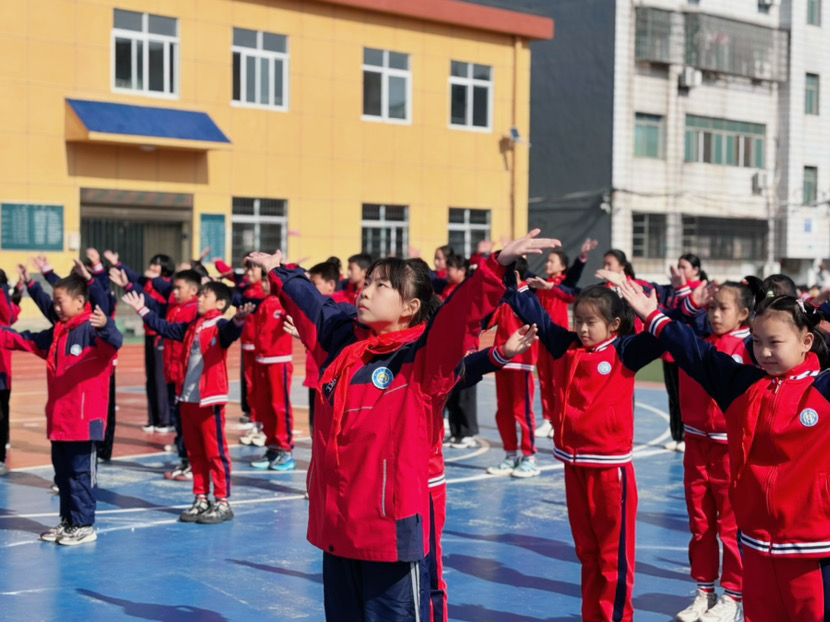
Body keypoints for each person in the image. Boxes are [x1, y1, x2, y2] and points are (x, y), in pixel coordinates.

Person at [247, 229, 558, 621]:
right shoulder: (341, 342)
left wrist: (495, 267)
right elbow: (312, 302)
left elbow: (459, 316)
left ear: (410, 306)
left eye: (381, 286)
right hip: (337, 530)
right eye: (367, 282)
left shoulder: (424, 359)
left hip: (388, 535)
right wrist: (280, 271)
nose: (365, 291)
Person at [620, 278, 830, 622]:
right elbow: (696, 354)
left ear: (806, 342)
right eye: (757, 342)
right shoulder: (743, 385)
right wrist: (653, 316)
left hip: (814, 548)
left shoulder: (823, 390)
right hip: (756, 544)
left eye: (775, 342)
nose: (764, 352)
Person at [505, 280, 665, 621]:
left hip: (610, 470)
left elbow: (666, 337)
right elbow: (538, 317)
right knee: (587, 552)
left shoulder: (625, 351)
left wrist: (653, 313)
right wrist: (512, 282)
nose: (582, 328)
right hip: (573, 466)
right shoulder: (568, 346)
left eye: (591, 322)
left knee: (612, 555)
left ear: (614, 325)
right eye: (578, 320)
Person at [0, 275, 122, 544]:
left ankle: (84, 525)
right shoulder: (58, 332)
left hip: (84, 419)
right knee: (63, 474)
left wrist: (105, 326)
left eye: (59, 302)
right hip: (60, 419)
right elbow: (26, 340)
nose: (55, 308)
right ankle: (68, 521)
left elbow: (114, 341)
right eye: (53, 302)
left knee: (81, 474)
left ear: (79, 301)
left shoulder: (91, 330)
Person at [122, 283, 255, 525]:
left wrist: (238, 320)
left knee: (215, 453)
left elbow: (231, 332)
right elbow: (164, 327)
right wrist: (142, 310)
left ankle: (222, 501)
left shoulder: (219, 326)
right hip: (187, 399)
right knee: (195, 453)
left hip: (209, 401)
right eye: (199, 294)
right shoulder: (192, 326)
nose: (199, 298)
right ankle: (201, 497)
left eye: (205, 295)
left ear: (220, 303)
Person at [672, 281, 751, 622]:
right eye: (712, 307)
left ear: (744, 313)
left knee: (731, 527)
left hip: (730, 450)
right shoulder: (698, 344)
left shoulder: (750, 347)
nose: (715, 314)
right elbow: (668, 329)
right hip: (696, 446)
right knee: (700, 524)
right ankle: (704, 591)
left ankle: (734, 595)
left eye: (724, 308)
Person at [114, 268, 202, 480]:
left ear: (193, 290)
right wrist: (130, 288)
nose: (174, 292)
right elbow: (154, 307)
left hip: (186, 376)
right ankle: (185, 460)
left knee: (188, 422)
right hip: (173, 373)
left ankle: (194, 462)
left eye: (179, 288)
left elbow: (166, 326)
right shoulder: (174, 307)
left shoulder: (194, 311)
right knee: (178, 420)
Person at [526, 238, 598, 438]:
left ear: (562, 267)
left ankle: (562, 418)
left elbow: (574, 275)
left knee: (560, 381)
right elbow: (524, 274)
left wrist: (582, 256)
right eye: (547, 260)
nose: (547, 264)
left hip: (559, 341)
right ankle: (548, 420)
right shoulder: (540, 284)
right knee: (544, 380)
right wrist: (515, 254)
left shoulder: (563, 284)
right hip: (542, 340)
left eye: (552, 261)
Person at [105, 250, 175, 433]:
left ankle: (165, 420)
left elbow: (152, 302)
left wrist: (133, 285)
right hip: (149, 333)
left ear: (165, 267)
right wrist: (117, 263)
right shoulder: (148, 282)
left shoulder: (169, 287)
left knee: (160, 378)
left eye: (156, 264)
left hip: (161, 334)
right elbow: (132, 276)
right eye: (152, 263)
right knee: (151, 377)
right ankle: (153, 419)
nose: (152, 267)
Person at [485, 257, 540, 477]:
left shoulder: (529, 297)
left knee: (522, 412)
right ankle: (510, 455)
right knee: (503, 412)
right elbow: (489, 321)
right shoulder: (505, 297)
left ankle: (529, 457)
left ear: (515, 275)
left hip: (522, 364)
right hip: (502, 360)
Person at [248, 276, 296, 471]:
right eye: (263, 281)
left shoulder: (285, 303)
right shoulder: (264, 304)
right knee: (265, 406)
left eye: (268, 281)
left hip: (279, 361)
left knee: (279, 406)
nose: (264, 285)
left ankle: (286, 451)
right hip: (262, 360)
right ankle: (273, 448)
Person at [662, 254, 707, 453]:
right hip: (669, 351)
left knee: (687, 397)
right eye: (678, 266)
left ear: (695, 270)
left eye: (684, 267)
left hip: (686, 351)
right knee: (673, 395)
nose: (680, 270)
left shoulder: (700, 290)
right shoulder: (673, 289)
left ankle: (689, 436)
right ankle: (677, 435)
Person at [441, 255, 480, 448]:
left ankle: (468, 433)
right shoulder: (447, 289)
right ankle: (456, 431)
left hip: (465, 348)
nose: (447, 272)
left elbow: (472, 322)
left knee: (466, 393)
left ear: (462, 271)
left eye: (451, 268)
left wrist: (470, 347)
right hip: (448, 347)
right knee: (452, 393)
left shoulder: (468, 290)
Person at [0, 270, 20, 476]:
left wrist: (6, 290)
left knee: (2, 411)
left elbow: (11, 315)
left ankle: (1, 454)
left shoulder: (3, 301)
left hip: (2, 369)